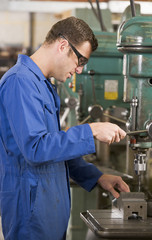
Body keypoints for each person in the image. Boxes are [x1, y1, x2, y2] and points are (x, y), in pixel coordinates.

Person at [0, 17, 130, 240]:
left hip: (48, 210)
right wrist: (91, 130)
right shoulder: (20, 82)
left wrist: (97, 177)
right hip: (30, 213)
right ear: (63, 45)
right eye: (80, 60)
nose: (79, 70)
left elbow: (57, 149)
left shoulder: (44, 86)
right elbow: (36, 148)